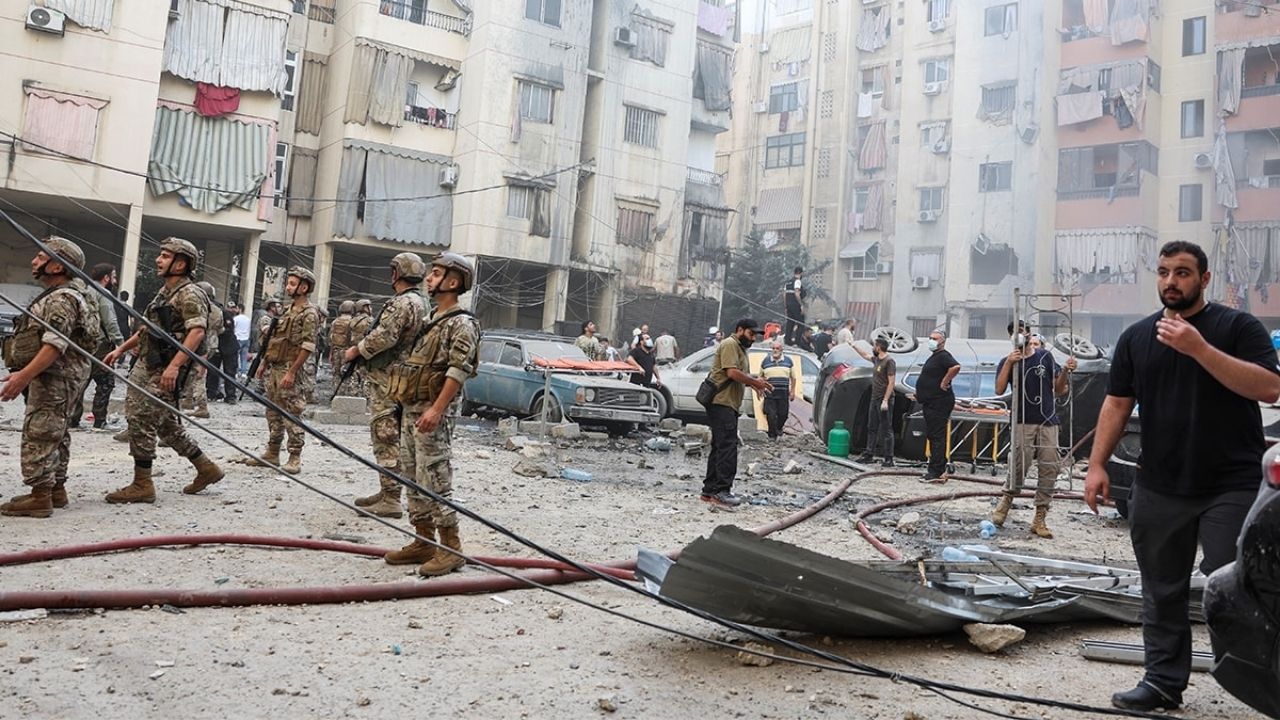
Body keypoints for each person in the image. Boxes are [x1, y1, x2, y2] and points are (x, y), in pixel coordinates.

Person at [1083, 241, 1280, 713]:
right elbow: (1117, 402)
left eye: (1184, 273)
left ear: (1204, 279)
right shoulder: (1135, 338)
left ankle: (1267, 682)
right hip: (1160, 484)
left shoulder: (1236, 327)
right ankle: (1162, 683)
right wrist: (1095, 465)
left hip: (1230, 484)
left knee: (1242, 582)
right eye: (1164, 272)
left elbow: (1270, 388)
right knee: (1162, 588)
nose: (1172, 281)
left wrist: (1199, 349)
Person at [102, 237, 224, 504]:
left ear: (181, 264)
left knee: (141, 417)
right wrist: (121, 349)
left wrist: (174, 366)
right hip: (150, 362)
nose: (158, 260)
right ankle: (206, 468)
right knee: (166, 425)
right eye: (160, 255)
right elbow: (147, 327)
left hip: (166, 366)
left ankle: (142, 484)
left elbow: (197, 332)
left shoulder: (189, 293)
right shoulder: (165, 291)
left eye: (165, 256)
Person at [384, 253, 481, 577]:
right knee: (411, 476)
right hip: (413, 410)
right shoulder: (431, 320)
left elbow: (458, 370)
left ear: (452, 282)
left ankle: (450, 547)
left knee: (435, 478)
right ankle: (423, 540)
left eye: (436, 273)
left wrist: (437, 409)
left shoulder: (461, 323)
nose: (428, 278)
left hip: (432, 414)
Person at [0, 237, 95, 518]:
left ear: (57, 266)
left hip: (56, 376)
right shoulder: (63, 294)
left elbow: (55, 344)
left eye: (41, 257)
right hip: (61, 375)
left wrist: (22, 377)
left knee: (40, 430)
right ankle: (55, 490)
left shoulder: (62, 298)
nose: (34, 261)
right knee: (57, 430)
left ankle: (40, 496)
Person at [343, 253, 430, 519]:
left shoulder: (402, 303)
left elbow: (385, 336)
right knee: (394, 432)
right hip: (406, 376)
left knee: (384, 432)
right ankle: (387, 490)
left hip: (389, 378)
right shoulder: (423, 302)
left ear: (396, 274)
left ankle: (391, 497)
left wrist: (356, 351)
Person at [991, 319, 1077, 537]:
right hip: (1022, 421)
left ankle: (1040, 517)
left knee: (1050, 467)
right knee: (1019, 465)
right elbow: (1000, 389)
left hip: (1048, 420)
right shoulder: (1007, 361)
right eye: (1014, 332)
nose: (1019, 335)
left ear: (1029, 333)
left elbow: (1059, 390)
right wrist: (1010, 363)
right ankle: (1006, 502)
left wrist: (1066, 370)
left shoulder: (1045, 357)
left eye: (1022, 331)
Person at [246, 267, 321, 475]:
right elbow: (275, 341)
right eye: (288, 282)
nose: (288, 286)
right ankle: (272, 451)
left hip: (291, 369)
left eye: (292, 283)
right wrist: (264, 364)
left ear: (304, 287)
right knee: (272, 411)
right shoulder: (288, 311)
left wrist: (292, 372)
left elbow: (308, 346)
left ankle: (294, 457)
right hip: (275, 367)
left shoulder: (309, 313)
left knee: (292, 413)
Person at [701, 319, 772, 509]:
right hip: (721, 402)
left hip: (728, 403)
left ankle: (709, 491)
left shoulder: (739, 349)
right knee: (728, 446)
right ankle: (722, 492)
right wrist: (755, 382)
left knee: (719, 445)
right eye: (750, 334)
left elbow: (740, 375)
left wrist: (754, 383)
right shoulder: (730, 344)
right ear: (739, 330)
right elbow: (732, 373)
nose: (753, 339)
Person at [70, 262, 124, 430]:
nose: (114, 280)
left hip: (81, 342)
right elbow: (110, 321)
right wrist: (120, 343)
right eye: (113, 277)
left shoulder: (83, 291)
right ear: (106, 278)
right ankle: (100, 421)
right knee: (105, 382)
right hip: (100, 344)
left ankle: (73, 419)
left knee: (81, 380)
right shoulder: (103, 293)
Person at [914, 330, 960, 482]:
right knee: (933, 436)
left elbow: (955, 367)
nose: (931, 341)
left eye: (934, 339)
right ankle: (935, 468)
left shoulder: (944, 356)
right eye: (930, 338)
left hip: (939, 402)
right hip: (930, 401)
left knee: (937, 436)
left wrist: (944, 381)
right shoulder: (934, 357)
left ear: (942, 341)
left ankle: (937, 471)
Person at [180, 281, 221, 419]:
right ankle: (188, 401)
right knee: (195, 372)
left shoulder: (200, 307)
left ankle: (201, 406)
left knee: (198, 374)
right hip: (212, 343)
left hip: (199, 343)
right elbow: (220, 328)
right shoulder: (217, 310)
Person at [852, 338, 897, 466]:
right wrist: (854, 346)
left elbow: (891, 382)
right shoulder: (877, 360)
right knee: (872, 427)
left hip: (884, 399)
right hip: (874, 398)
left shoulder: (889, 361)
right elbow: (865, 355)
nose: (872, 348)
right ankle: (869, 454)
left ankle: (889, 458)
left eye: (874, 346)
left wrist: (885, 400)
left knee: (886, 429)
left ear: (879, 347)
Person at [759, 340, 797, 440]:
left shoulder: (788, 361)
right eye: (773, 348)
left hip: (783, 393)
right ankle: (772, 435)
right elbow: (760, 377)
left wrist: (792, 391)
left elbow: (793, 378)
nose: (775, 350)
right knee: (771, 415)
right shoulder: (765, 361)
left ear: (781, 350)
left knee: (783, 414)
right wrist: (760, 389)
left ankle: (778, 429)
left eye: (777, 348)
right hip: (769, 393)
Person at [216, 302, 239, 403]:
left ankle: (230, 396)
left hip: (229, 347)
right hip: (217, 346)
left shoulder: (226, 316)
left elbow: (228, 331)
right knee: (213, 371)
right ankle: (212, 393)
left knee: (230, 372)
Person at [329, 300, 356, 371]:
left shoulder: (335, 321)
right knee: (345, 374)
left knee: (335, 373)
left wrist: (331, 353)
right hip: (347, 351)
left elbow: (331, 338)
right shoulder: (353, 321)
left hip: (335, 350)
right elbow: (353, 338)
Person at [784, 266, 805, 346]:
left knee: (790, 322)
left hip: (789, 304)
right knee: (801, 323)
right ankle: (798, 341)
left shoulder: (788, 282)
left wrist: (786, 306)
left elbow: (784, 295)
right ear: (801, 273)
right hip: (795, 304)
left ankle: (787, 340)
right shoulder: (797, 281)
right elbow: (797, 293)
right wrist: (801, 305)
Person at [233, 303, 251, 376]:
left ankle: (236, 372)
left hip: (238, 338)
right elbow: (249, 329)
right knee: (244, 357)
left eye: (237, 308)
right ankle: (244, 372)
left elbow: (233, 328)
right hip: (246, 338)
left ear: (240, 309)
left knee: (236, 356)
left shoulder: (236, 318)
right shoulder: (248, 319)